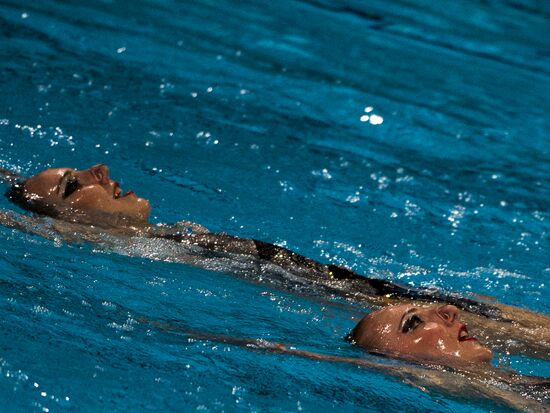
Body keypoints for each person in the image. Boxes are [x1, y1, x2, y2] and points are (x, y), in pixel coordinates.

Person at [1, 164, 549, 362]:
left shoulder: (170, 233)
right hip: (368, 304)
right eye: (75, 186)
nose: (99, 170)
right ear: (60, 217)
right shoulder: (108, 245)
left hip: (369, 290)